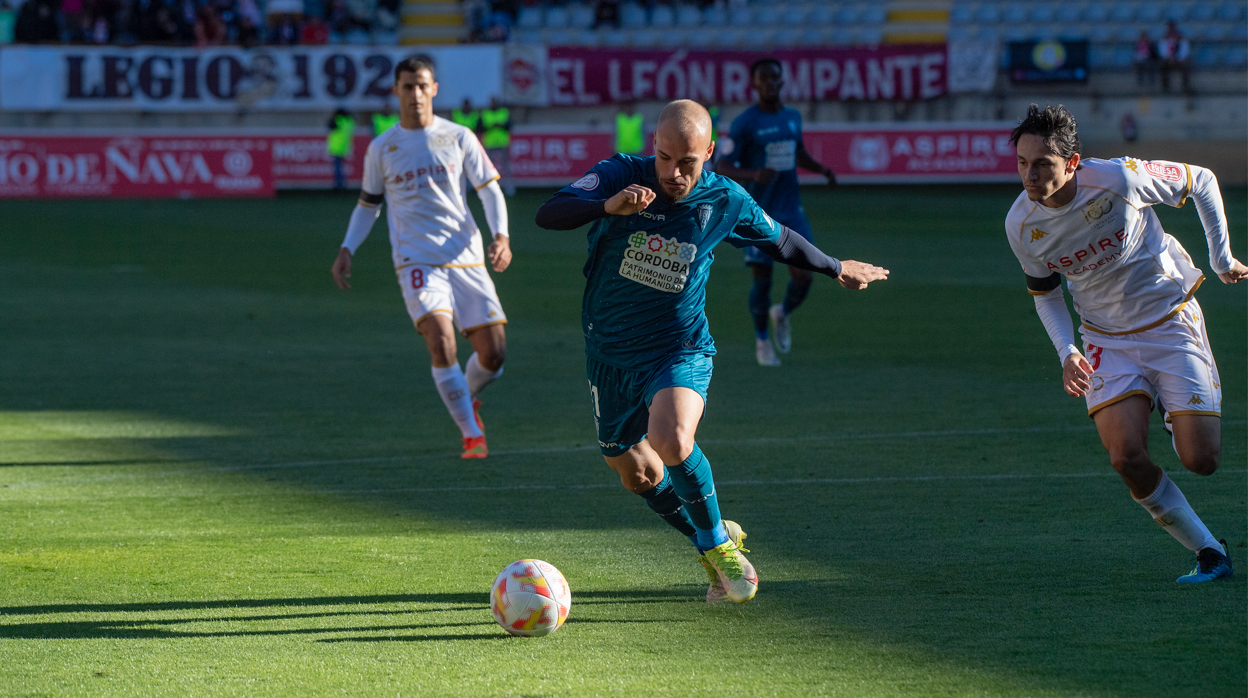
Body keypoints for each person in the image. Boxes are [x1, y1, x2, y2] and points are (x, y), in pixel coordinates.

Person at [534, 100, 889, 603]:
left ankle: (717, 548)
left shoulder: (726, 199)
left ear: (710, 154)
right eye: (664, 158)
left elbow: (779, 239)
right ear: (651, 146)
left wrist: (835, 267)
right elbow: (549, 214)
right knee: (636, 474)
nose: (673, 173)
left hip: (678, 346)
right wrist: (606, 207)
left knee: (672, 438)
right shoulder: (618, 175)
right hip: (609, 352)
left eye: (688, 162)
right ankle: (714, 537)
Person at [1005, 104, 1246, 583]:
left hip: (1169, 321)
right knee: (1125, 458)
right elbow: (1045, 293)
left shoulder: (1119, 179)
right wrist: (1067, 350)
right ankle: (1210, 553)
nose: (1029, 175)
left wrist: (1222, 259)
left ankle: (1172, 412)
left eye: (1042, 164)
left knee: (1202, 460)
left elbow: (1200, 179)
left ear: (1072, 163)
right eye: (1021, 162)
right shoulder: (1020, 224)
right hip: (1104, 340)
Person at [332, 56, 512, 459]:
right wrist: (348, 248)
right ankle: (471, 435)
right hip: (416, 261)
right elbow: (368, 205)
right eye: (407, 86)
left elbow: (489, 189)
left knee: (494, 354)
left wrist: (501, 235)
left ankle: (465, 399)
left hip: (465, 257)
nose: (415, 93)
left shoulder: (459, 136)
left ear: (434, 89)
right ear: (396, 91)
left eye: (422, 85)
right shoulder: (382, 148)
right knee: (441, 340)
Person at [715, 58, 837, 367]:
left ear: (782, 82)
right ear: (754, 85)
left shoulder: (792, 118)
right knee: (763, 279)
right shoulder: (745, 123)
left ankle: (782, 313)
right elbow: (722, 165)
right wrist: (754, 174)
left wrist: (821, 169)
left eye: (774, 77)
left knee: (805, 275)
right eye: (763, 78)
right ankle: (762, 342)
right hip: (758, 212)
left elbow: (799, 154)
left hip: (791, 210)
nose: (770, 82)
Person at [481, 96, 514, 196]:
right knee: (488, 167)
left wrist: (499, 125)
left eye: (495, 102)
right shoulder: (485, 113)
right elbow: (481, 127)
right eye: (492, 102)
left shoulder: (504, 112)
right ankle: (488, 187)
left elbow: (510, 125)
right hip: (490, 143)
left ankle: (509, 187)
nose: (493, 104)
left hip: (502, 142)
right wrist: (492, 126)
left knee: (506, 166)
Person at [1158, 23, 1192, 94]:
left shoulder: (1182, 40)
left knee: (1185, 68)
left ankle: (1185, 86)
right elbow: (1163, 52)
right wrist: (1168, 59)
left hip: (1179, 61)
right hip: (1168, 61)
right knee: (1163, 68)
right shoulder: (1164, 40)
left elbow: (1184, 51)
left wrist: (1179, 59)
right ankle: (1165, 87)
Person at [326, 108, 355, 191]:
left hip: (336, 147)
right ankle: (342, 185)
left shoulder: (338, 120)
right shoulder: (349, 121)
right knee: (340, 168)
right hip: (344, 147)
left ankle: (339, 186)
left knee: (338, 168)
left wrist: (332, 117)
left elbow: (330, 125)